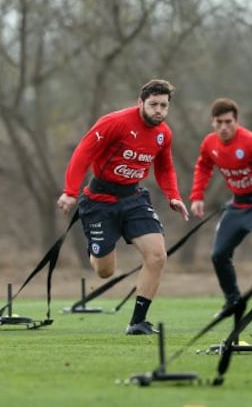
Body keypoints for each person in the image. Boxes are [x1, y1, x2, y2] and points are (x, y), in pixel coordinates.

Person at [57, 79, 189, 335]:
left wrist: (173, 196)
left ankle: (138, 322)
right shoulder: (114, 122)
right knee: (105, 271)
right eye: (153, 105)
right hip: (99, 200)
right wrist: (70, 192)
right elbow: (83, 153)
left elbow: (164, 167)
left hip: (134, 199)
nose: (158, 110)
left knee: (157, 256)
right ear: (140, 102)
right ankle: (98, 246)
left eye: (163, 105)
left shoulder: (164, 133)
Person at [189, 98, 252, 317]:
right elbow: (203, 165)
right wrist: (197, 196)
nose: (224, 127)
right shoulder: (209, 143)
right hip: (237, 206)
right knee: (218, 254)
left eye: (228, 122)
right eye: (219, 122)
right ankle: (233, 301)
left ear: (236, 121)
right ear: (212, 122)